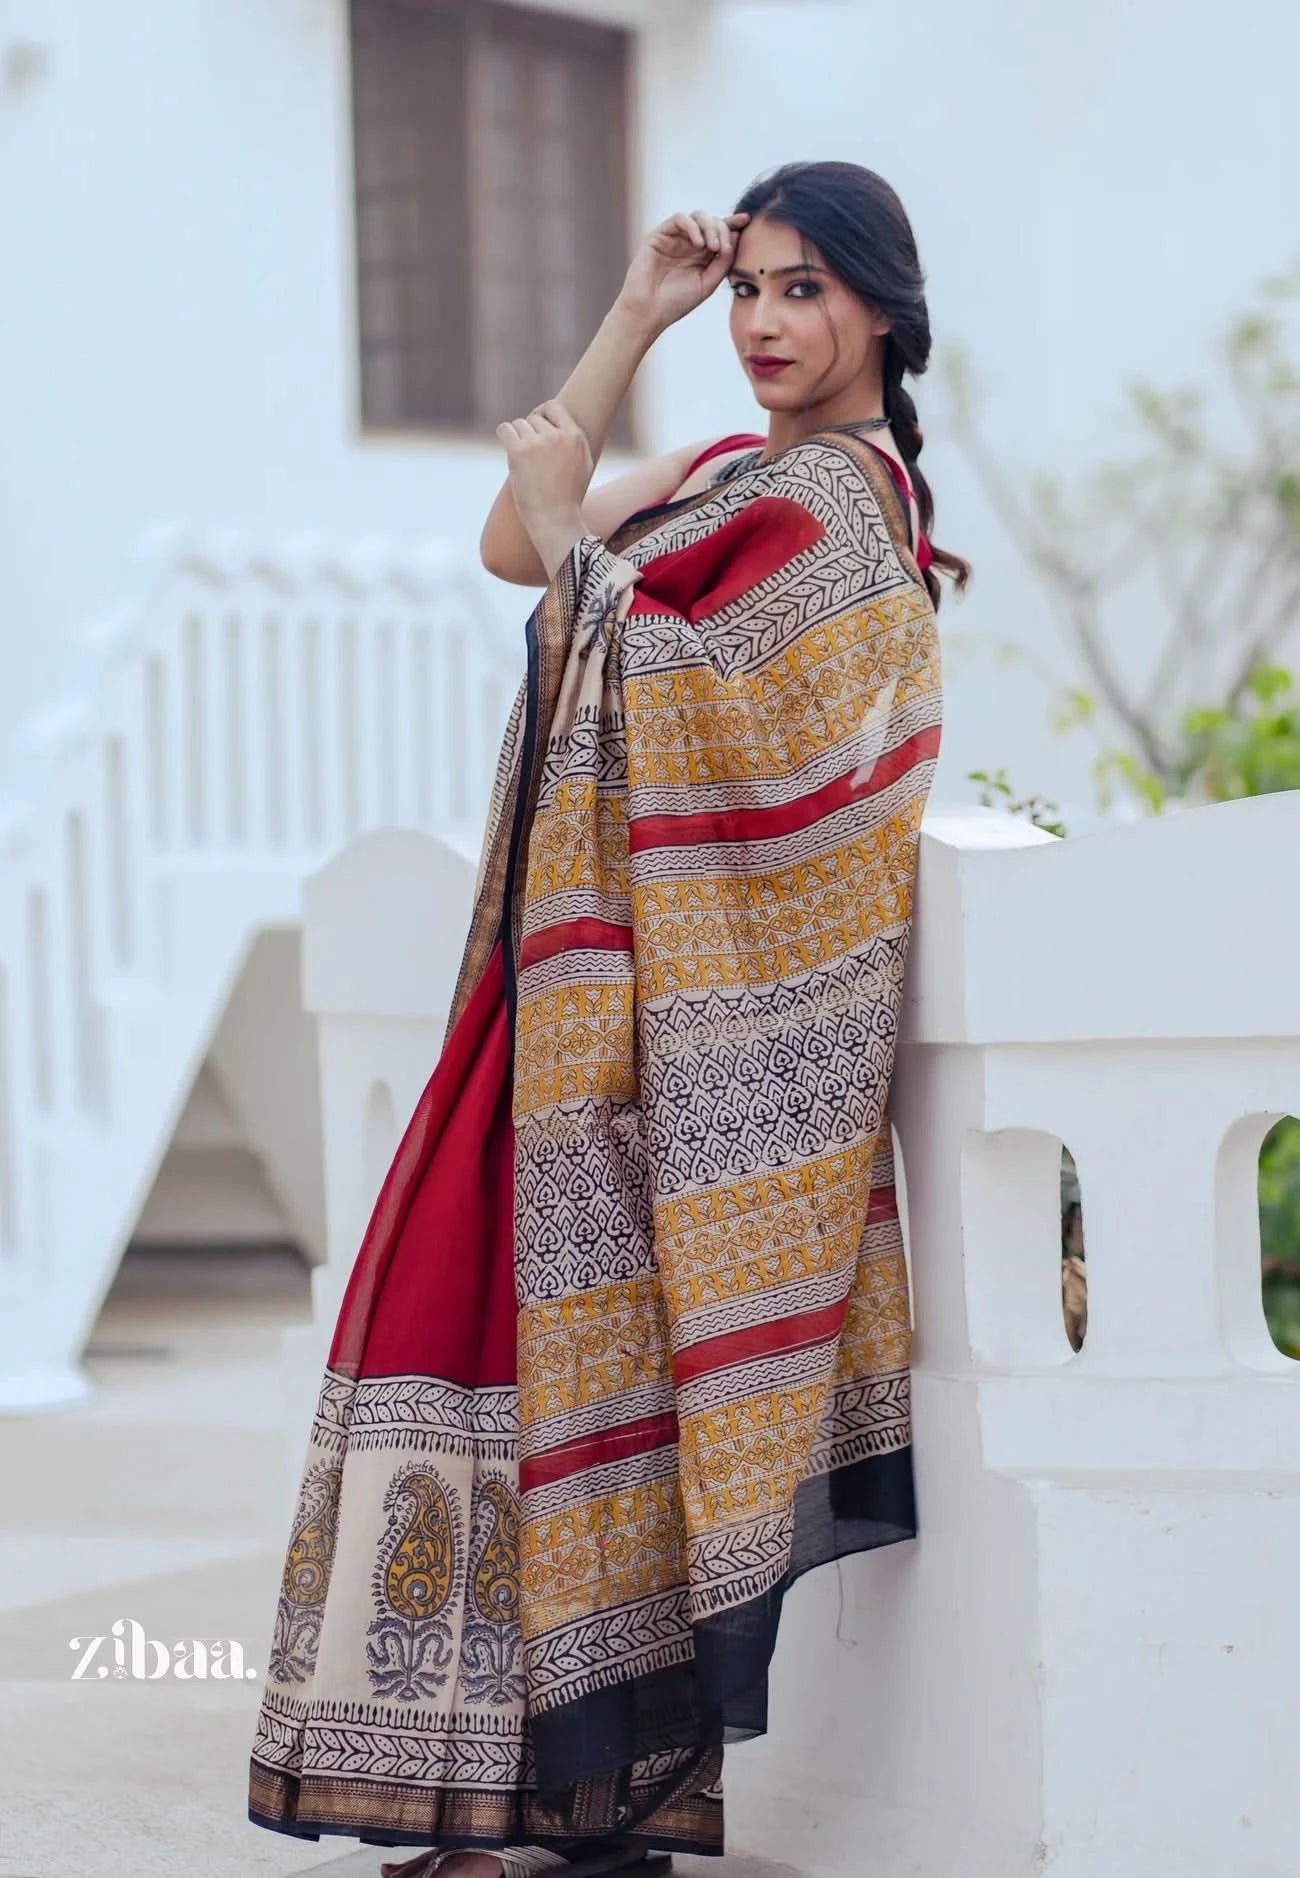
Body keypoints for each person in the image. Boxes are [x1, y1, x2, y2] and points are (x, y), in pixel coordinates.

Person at [247, 159, 964, 1878]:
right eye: (750, 291)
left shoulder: (856, 516)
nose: (768, 324)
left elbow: (738, 716)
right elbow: (518, 536)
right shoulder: (735, 468)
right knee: (498, 1334)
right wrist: (633, 314)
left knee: (600, 1366)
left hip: (683, 1026)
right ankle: (506, 1807)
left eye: (806, 289)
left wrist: (576, 537)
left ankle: (582, 1806)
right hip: (573, 987)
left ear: (883, 309)